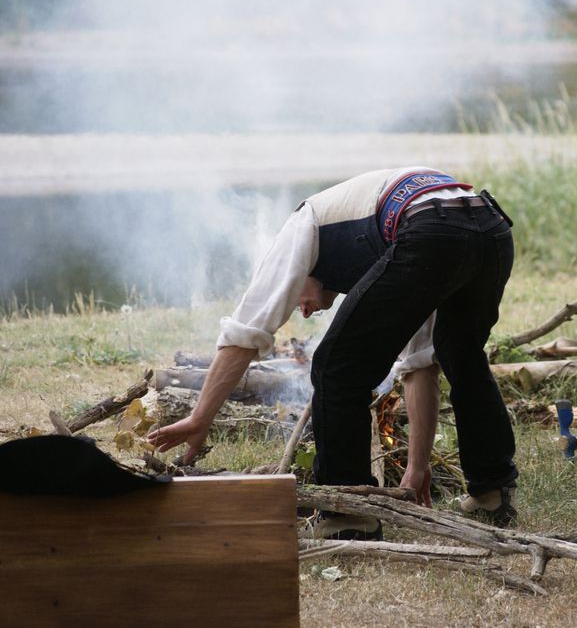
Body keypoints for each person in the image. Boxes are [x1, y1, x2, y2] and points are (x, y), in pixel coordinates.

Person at [148, 166, 519, 536]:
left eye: (296, 300)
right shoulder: (387, 245)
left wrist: (199, 418)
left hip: (431, 228)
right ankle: (492, 491)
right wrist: (416, 467)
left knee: (337, 369)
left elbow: (245, 332)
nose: (303, 310)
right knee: (462, 356)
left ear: (299, 272)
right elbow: (420, 362)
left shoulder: (300, 227)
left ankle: (348, 514)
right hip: (489, 228)